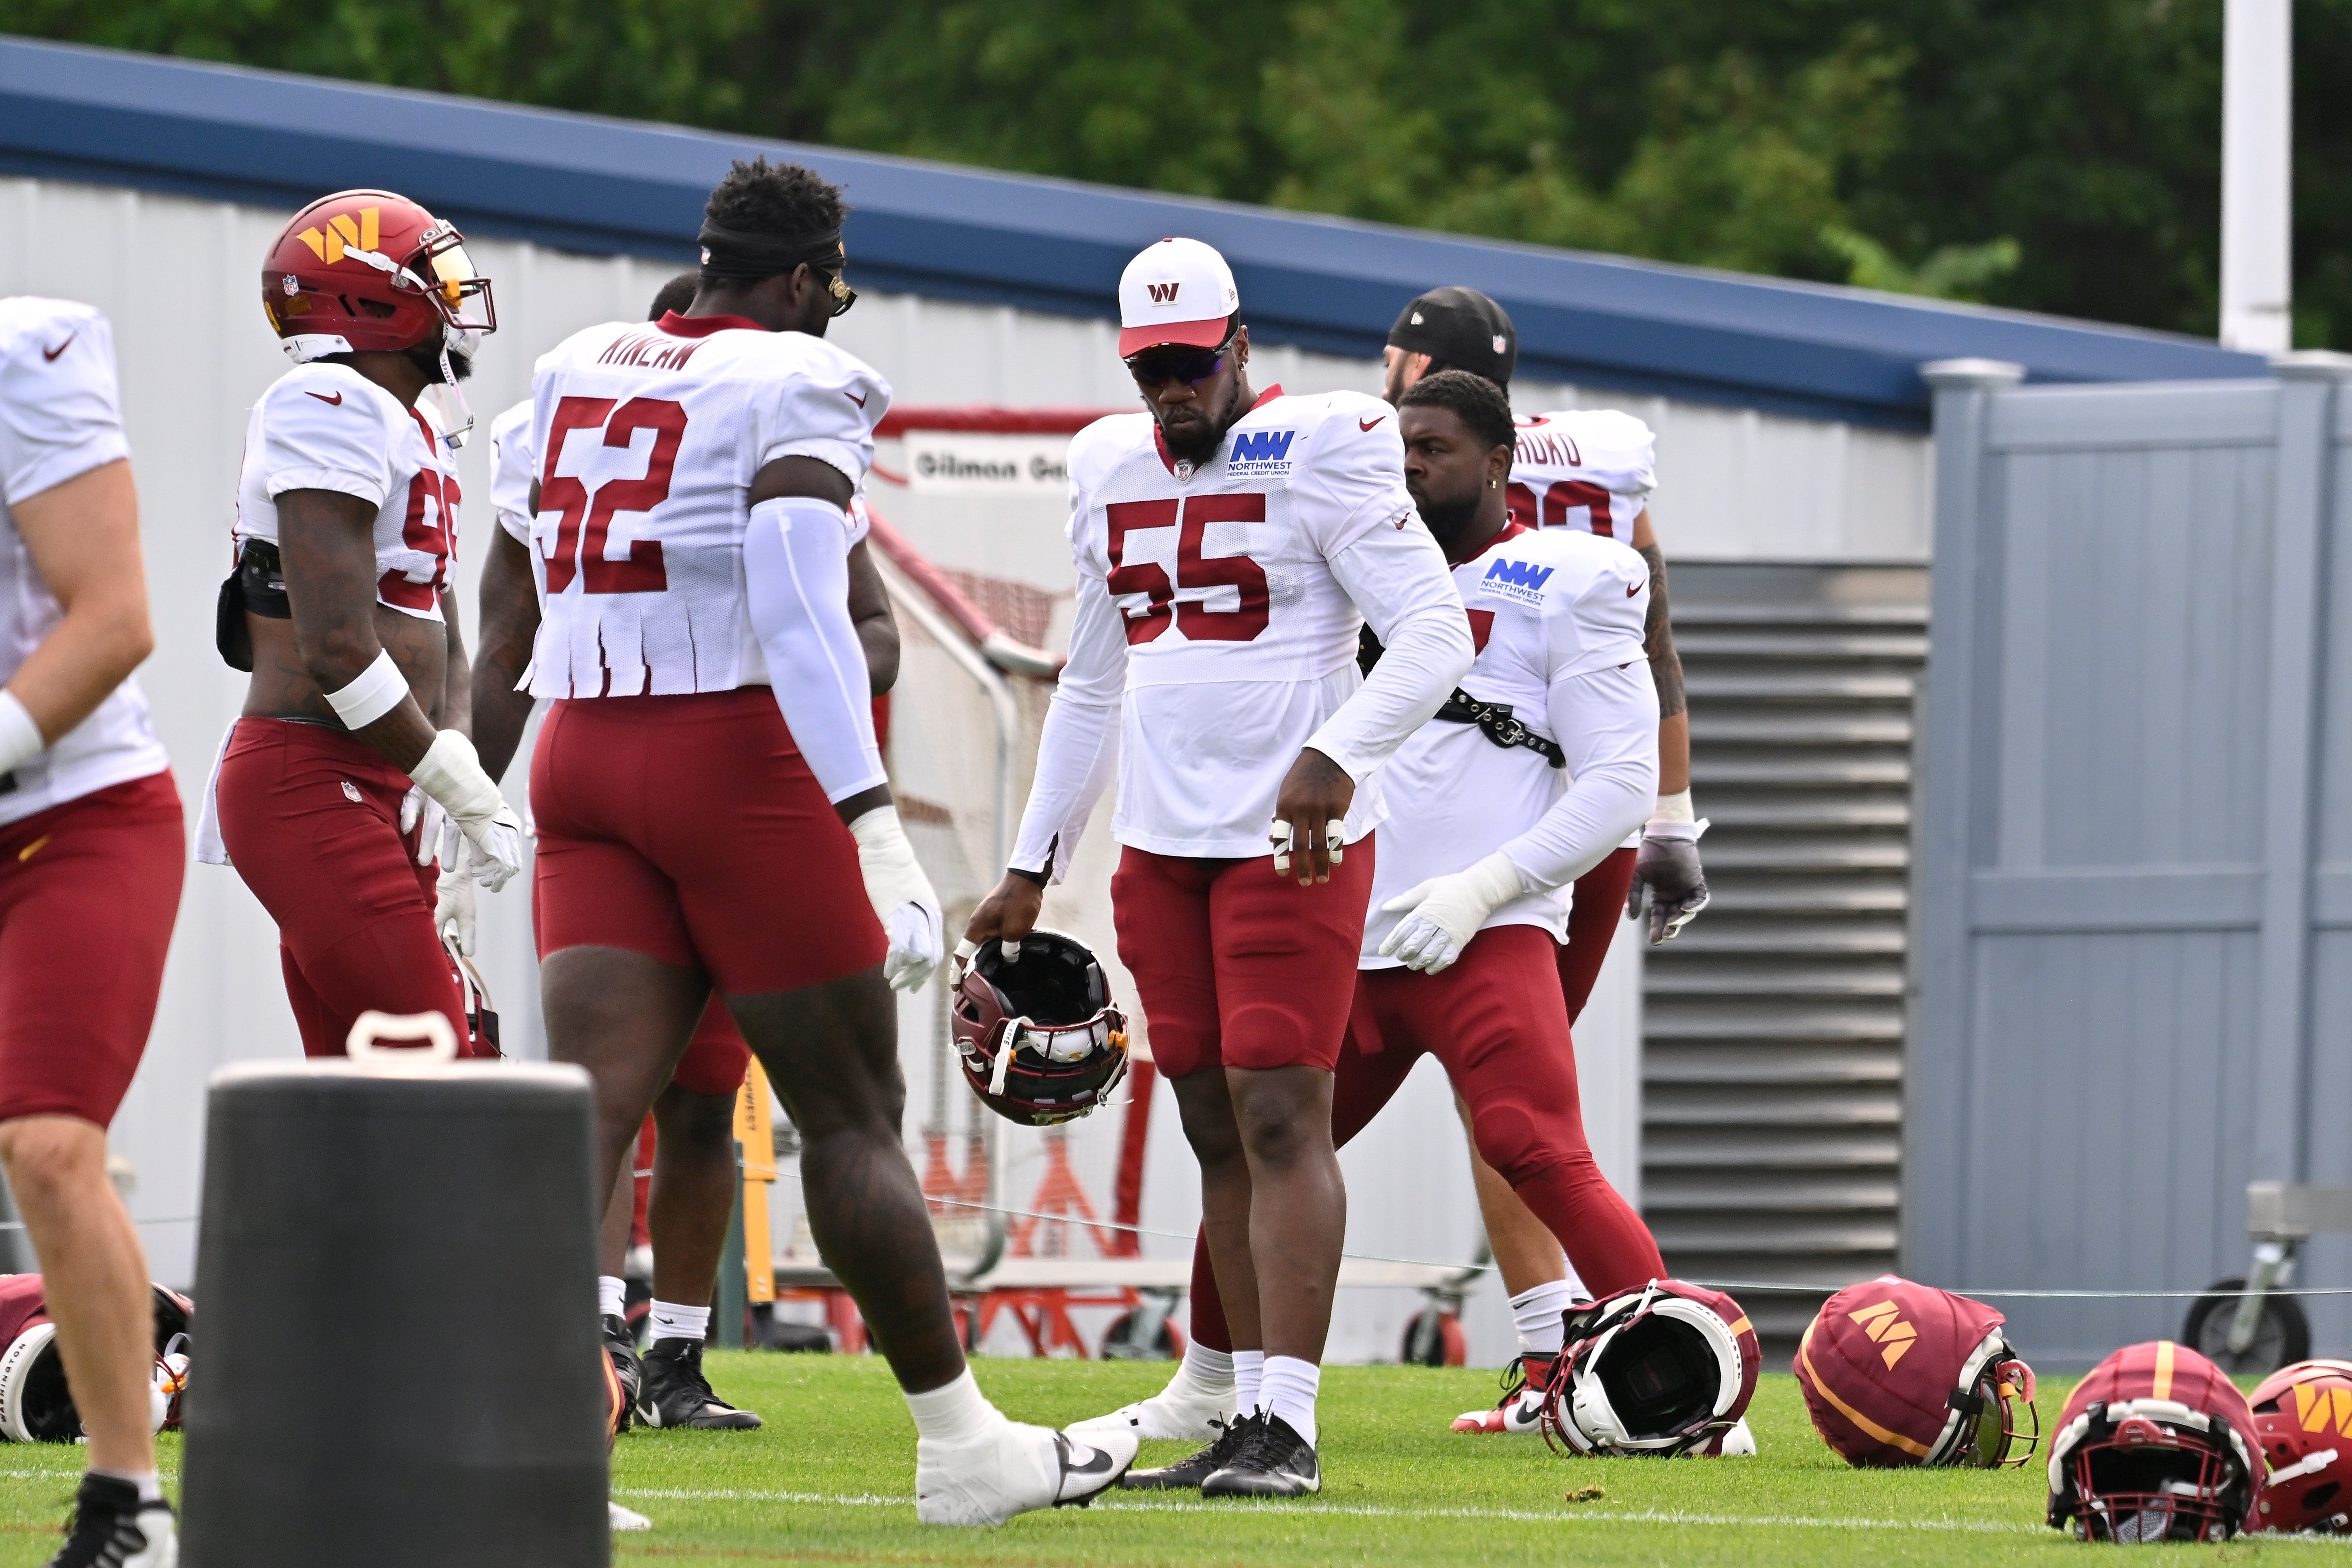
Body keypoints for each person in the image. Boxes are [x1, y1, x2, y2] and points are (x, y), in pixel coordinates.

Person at [467, 157, 1131, 1525]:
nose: (835, 306)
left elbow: (511, 613)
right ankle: (963, 1448)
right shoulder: (795, 378)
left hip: (585, 756)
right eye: (832, 283)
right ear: (798, 277)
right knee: (852, 1117)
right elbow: (795, 600)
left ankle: (544, 1467)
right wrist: (875, 828)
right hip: (736, 758)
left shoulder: (571, 367)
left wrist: (467, 788)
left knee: (587, 1114)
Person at [965, 238, 1474, 1497]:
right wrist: (1033, 862)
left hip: (1287, 846)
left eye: (1191, 365)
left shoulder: (1328, 441)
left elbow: (1435, 631)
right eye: (1150, 369)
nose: (1171, 391)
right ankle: (1247, 1411)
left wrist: (1336, 755)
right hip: (1161, 847)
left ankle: (1290, 1427)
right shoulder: (1107, 461)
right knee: (1210, 1122)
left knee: (1284, 1111)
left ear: (1239, 347)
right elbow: (1091, 682)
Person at [480, 270, 901, 1434]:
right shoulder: (587, 432)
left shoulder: (771, 457)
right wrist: (461, 789)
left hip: (713, 783)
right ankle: (591, 1343)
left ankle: (671, 1351)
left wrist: (801, 674)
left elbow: (863, 629)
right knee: (612, 1092)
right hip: (650, 768)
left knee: (704, 1098)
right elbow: (511, 631)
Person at [1387, 287, 1707, 1425]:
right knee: (1515, 1102)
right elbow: (1660, 646)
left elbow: (1647, 637)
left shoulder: (1426, 463)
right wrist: (1673, 815)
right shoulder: (1593, 457)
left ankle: (1567, 1355)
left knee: (1514, 1108)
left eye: (1399, 360)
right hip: (1582, 812)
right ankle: (1572, 1353)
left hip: (1523, 814)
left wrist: (1661, 815)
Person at [203, 189, 524, 1058]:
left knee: (364, 1085)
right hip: (310, 774)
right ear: (370, 298)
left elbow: (438, 622)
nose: (457, 296)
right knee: (440, 1060)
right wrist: (455, 782)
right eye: (435, 276)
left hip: (384, 774)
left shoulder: (408, 418)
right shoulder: (328, 400)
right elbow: (337, 645)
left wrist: (447, 752)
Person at [0, 297, 184, 1565]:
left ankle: (129, 1502)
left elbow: (115, 619)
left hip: (75, 810)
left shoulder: (29, 352)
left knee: (51, 1143)